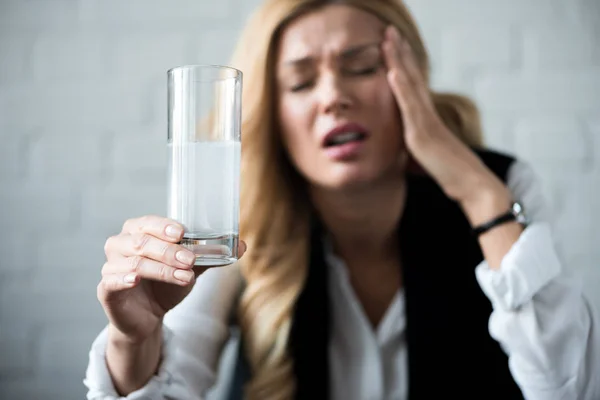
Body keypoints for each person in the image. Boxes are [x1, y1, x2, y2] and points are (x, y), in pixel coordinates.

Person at [84, 0, 600, 399]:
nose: (333, 95)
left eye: (362, 66)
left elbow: (570, 387)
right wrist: (134, 339)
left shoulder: (501, 187)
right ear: (273, 115)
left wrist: (477, 188)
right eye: (301, 81)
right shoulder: (235, 227)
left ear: (412, 84)